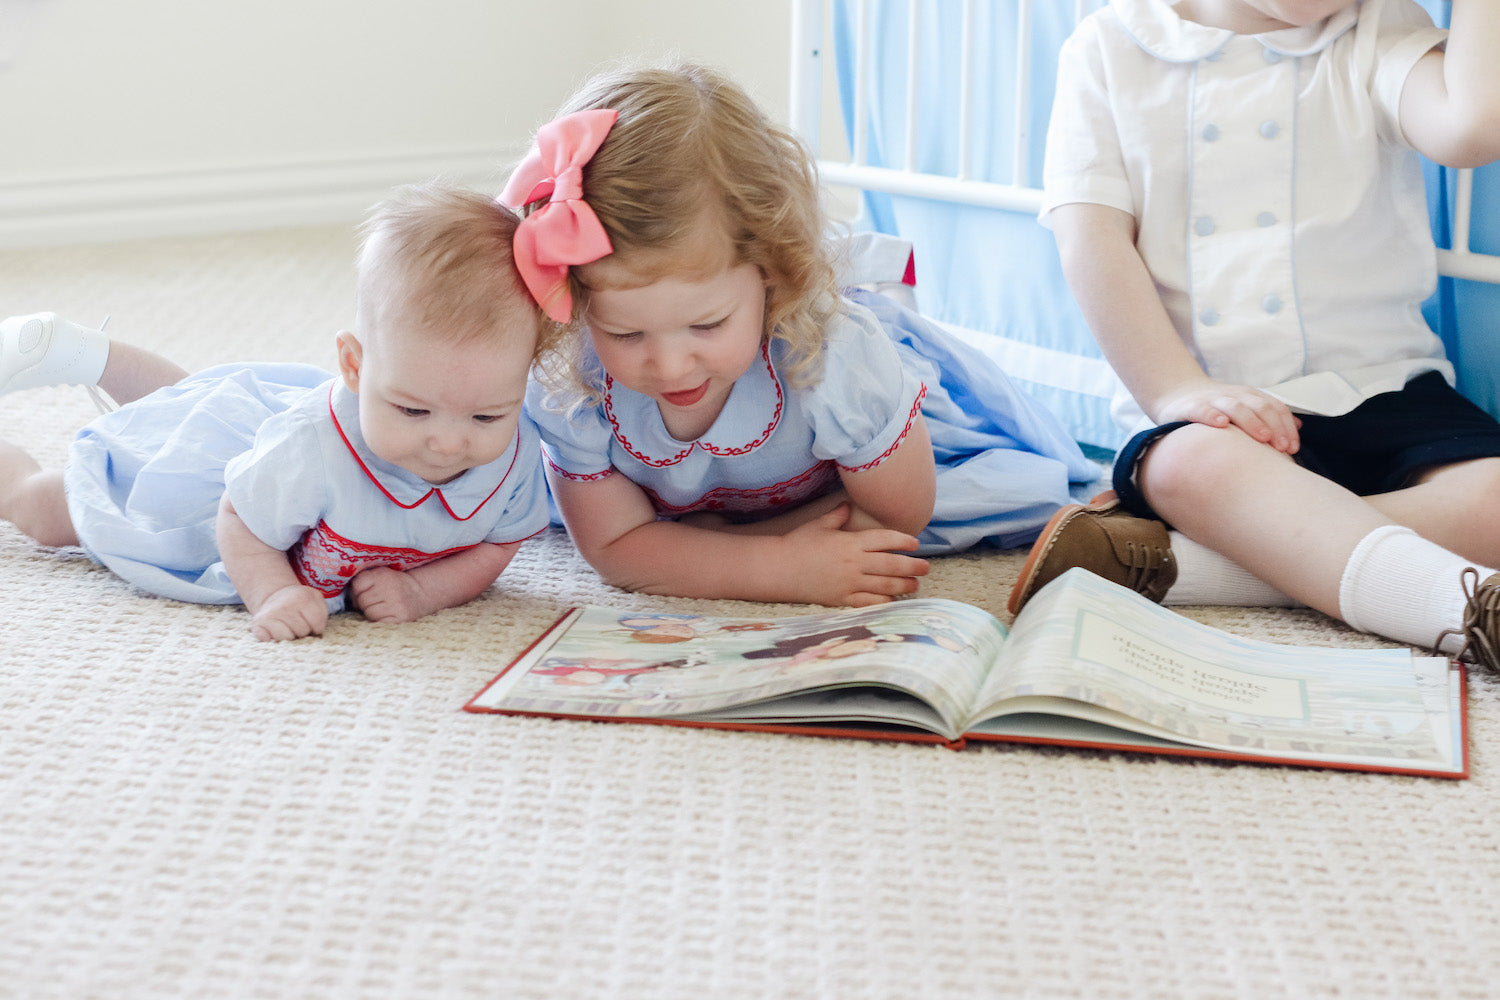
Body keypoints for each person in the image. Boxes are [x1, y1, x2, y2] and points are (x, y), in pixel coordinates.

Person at [1007, 0, 1500, 671]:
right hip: (1220, 408)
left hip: (1382, 387)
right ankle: (1463, 607)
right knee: (1188, 466)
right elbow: (1092, 242)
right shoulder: (1110, 46)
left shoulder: (1376, 29)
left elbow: (1469, 129)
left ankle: (1189, 565)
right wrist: (1177, 389)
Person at [510, 62, 1101, 608]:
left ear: (772, 271)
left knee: (998, 494)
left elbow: (897, 515)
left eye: (707, 323)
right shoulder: (572, 379)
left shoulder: (833, 354)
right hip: (713, 506)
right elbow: (614, 549)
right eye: (625, 332)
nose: (668, 365)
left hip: (850, 475)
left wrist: (706, 546)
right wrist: (775, 566)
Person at [0, 183, 552, 641]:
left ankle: (87, 354)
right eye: (412, 409)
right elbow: (237, 518)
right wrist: (275, 591)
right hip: (216, 510)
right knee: (54, 510)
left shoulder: (516, 447)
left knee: (191, 415)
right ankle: (46, 416)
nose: (450, 443)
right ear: (355, 368)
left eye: (485, 417)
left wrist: (423, 591)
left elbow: (499, 541)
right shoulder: (310, 448)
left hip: (260, 458)